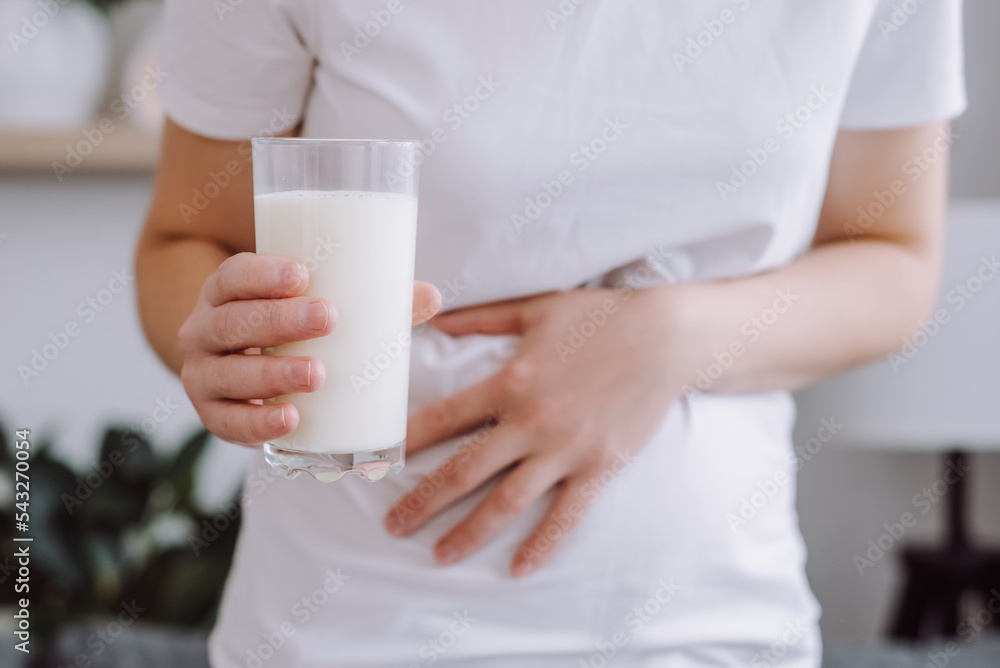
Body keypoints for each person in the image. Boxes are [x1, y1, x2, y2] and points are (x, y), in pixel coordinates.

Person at [135, 1, 966, 666]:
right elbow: (186, 239)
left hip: (709, 620)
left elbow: (891, 257)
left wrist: (668, 335)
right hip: (351, 622)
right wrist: (217, 343)